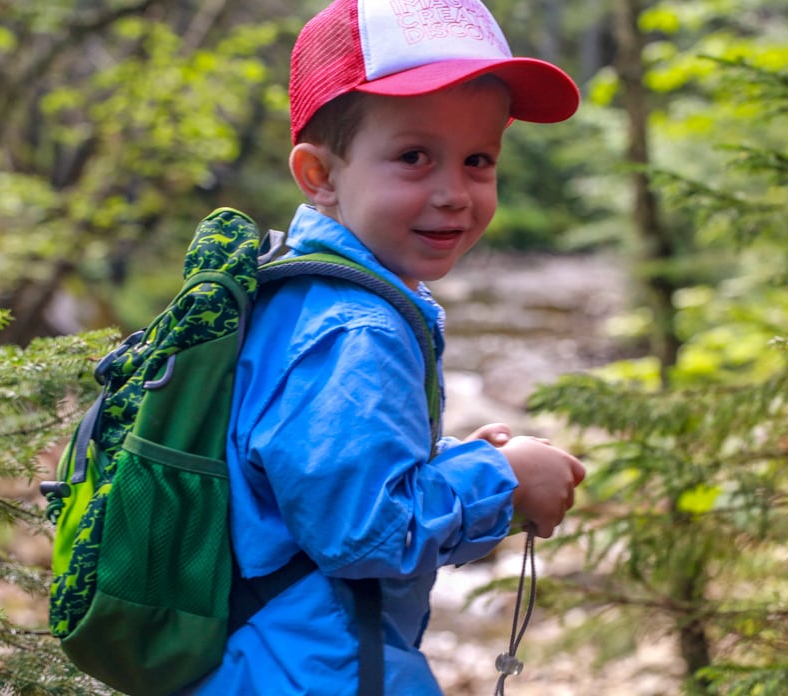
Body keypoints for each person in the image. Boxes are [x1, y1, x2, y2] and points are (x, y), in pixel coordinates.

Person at [190, 0, 585, 693]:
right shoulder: (356, 328)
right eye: (413, 157)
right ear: (320, 176)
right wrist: (505, 480)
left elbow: (313, 483)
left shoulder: (298, 292)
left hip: (256, 659)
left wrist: (456, 460)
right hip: (314, 670)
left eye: (477, 160)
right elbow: (365, 533)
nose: (454, 193)